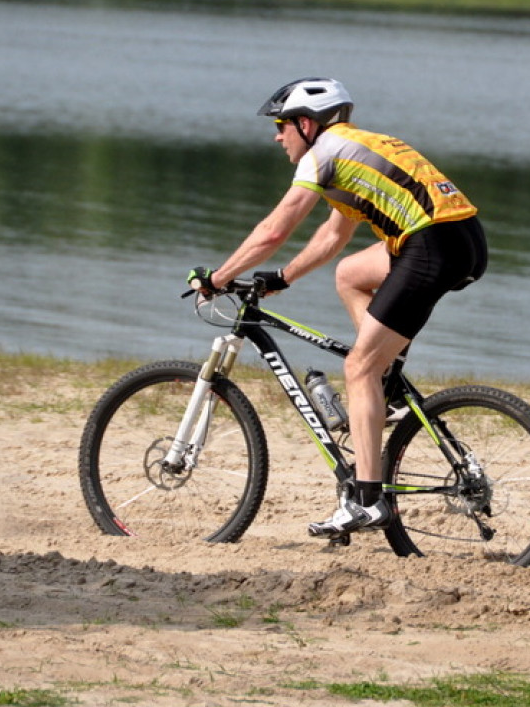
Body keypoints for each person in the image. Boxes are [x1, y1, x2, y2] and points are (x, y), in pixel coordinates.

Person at [189, 77, 487, 539]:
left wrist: (219, 277)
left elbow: (273, 230)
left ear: (306, 124)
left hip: (429, 247)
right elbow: (332, 237)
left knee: (358, 369)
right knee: (349, 274)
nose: (277, 136)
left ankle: (368, 501)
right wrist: (283, 278)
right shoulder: (353, 148)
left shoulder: (322, 154)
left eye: (282, 126)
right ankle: (386, 384)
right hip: (462, 240)